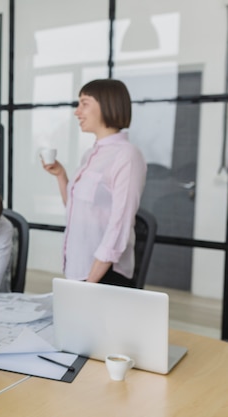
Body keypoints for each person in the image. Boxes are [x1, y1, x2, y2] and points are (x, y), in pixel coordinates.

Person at [42, 78, 147, 286]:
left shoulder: (127, 156)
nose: (76, 111)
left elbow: (120, 226)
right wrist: (61, 175)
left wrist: (90, 284)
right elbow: (76, 209)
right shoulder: (91, 154)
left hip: (104, 275)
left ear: (107, 105)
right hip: (80, 269)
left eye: (84, 103)